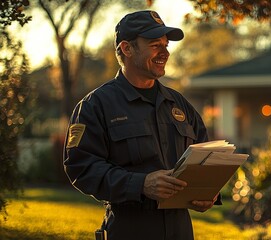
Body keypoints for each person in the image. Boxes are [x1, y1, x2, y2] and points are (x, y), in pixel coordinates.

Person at [63, 10, 220, 240]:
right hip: (129, 229)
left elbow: (207, 158)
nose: (165, 53)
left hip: (181, 231)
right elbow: (81, 168)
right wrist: (141, 184)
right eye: (155, 45)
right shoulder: (95, 105)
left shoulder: (179, 105)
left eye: (166, 45)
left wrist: (208, 194)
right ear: (127, 49)